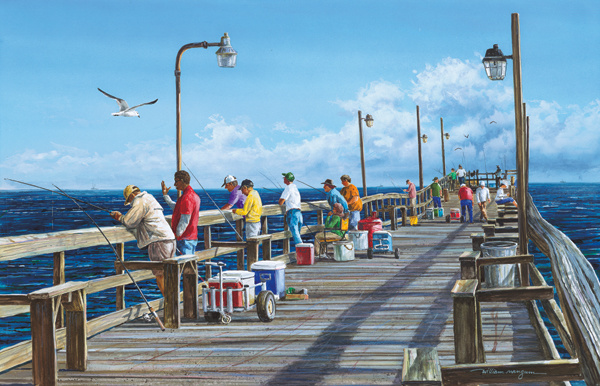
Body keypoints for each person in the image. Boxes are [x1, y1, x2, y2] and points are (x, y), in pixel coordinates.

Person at [110, 185, 175, 295]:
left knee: (160, 275)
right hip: (170, 239)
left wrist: (119, 217)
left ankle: (171, 306)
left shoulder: (139, 200)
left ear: (132, 195)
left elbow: (129, 222)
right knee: (169, 274)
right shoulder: (149, 197)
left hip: (158, 241)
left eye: (129, 200)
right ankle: (174, 304)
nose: (130, 202)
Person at [161, 170, 200, 256]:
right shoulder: (193, 195)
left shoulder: (187, 197)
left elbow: (185, 219)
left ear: (182, 181)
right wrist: (165, 196)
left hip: (184, 239)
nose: (175, 184)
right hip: (189, 238)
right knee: (187, 265)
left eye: (176, 181)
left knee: (183, 266)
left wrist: (176, 235)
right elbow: (178, 209)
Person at [279, 172, 303, 245]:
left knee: (296, 235)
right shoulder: (295, 188)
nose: (283, 179)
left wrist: (280, 200)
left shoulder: (288, 188)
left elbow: (281, 202)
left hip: (292, 213)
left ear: (286, 179)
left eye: (284, 178)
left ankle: (302, 249)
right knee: (297, 234)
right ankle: (301, 251)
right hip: (299, 213)